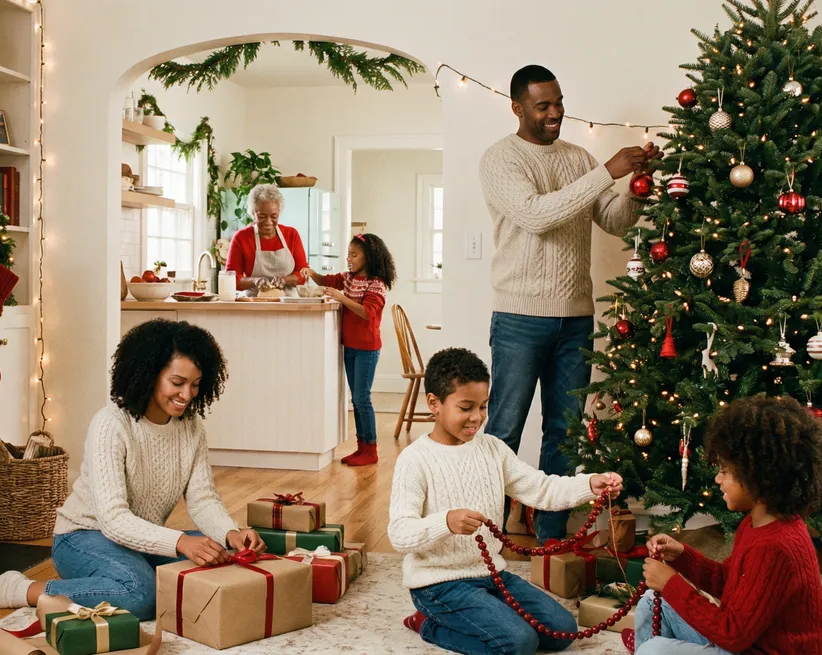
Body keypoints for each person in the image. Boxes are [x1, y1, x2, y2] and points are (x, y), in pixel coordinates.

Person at [0, 319, 265, 619]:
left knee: (222, 557)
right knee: (140, 594)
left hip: (138, 540)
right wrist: (181, 542)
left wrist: (230, 533)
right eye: (177, 383)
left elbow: (203, 499)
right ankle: (19, 589)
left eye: (195, 385)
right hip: (83, 538)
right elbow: (113, 520)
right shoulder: (111, 425)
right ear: (149, 374)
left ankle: (124, 576)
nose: (187, 395)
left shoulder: (192, 428)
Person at [479, 64, 662, 542]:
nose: (555, 112)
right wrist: (606, 172)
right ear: (517, 108)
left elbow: (615, 221)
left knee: (565, 434)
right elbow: (537, 216)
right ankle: (485, 537)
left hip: (577, 317)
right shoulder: (500, 159)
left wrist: (637, 187)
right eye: (543, 105)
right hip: (519, 317)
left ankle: (552, 539)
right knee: (504, 431)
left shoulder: (579, 157)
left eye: (559, 102)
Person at [389, 347, 623, 655]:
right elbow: (399, 534)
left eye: (483, 406)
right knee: (518, 642)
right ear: (434, 403)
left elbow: (540, 488)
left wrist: (589, 485)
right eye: (466, 407)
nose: (477, 418)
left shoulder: (493, 449)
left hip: (492, 575)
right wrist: (445, 522)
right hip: (438, 584)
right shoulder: (414, 460)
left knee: (562, 631)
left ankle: (486, 614)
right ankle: (428, 624)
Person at [629, 397, 822, 655]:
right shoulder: (756, 523)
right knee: (650, 602)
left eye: (725, 471)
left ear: (757, 475)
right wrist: (682, 556)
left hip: (754, 648)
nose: (717, 479)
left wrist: (670, 583)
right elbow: (729, 584)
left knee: (655, 650)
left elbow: (732, 634)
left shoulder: (775, 546)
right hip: (744, 643)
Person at [307, 233, 396, 466]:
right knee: (356, 400)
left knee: (361, 399)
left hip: (367, 348)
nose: (349, 259)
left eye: (354, 255)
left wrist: (342, 298)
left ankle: (371, 450)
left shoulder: (376, 284)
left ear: (368, 257)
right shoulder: (348, 278)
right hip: (351, 347)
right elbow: (325, 280)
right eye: (348, 254)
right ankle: (361, 447)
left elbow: (367, 313)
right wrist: (310, 272)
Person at [225, 184, 311, 297]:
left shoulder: (291, 234)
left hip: (288, 301)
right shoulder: (241, 237)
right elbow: (231, 278)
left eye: (274, 216)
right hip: (254, 301)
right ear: (253, 213)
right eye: (262, 216)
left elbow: (303, 273)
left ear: (279, 213)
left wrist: (285, 280)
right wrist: (255, 281)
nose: (268, 222)